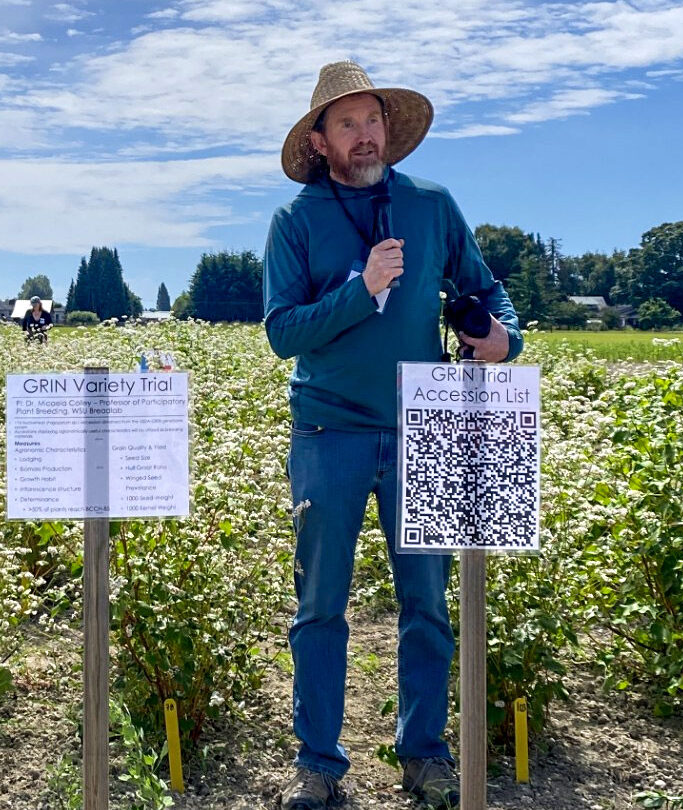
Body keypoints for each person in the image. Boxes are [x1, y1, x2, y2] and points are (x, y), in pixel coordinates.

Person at [263, 62, 523, 810]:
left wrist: (509, 340)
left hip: (429, 425)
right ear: (318, 142)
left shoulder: (431, 205)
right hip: (328, 431)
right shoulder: (295, 221)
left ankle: (425, 756)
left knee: (429, 605)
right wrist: (361, 289)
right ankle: (318, 765)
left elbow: (486, 290)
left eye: (372, 117)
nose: (364, 132)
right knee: (319, 608)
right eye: (346, 122)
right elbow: (283, 333)